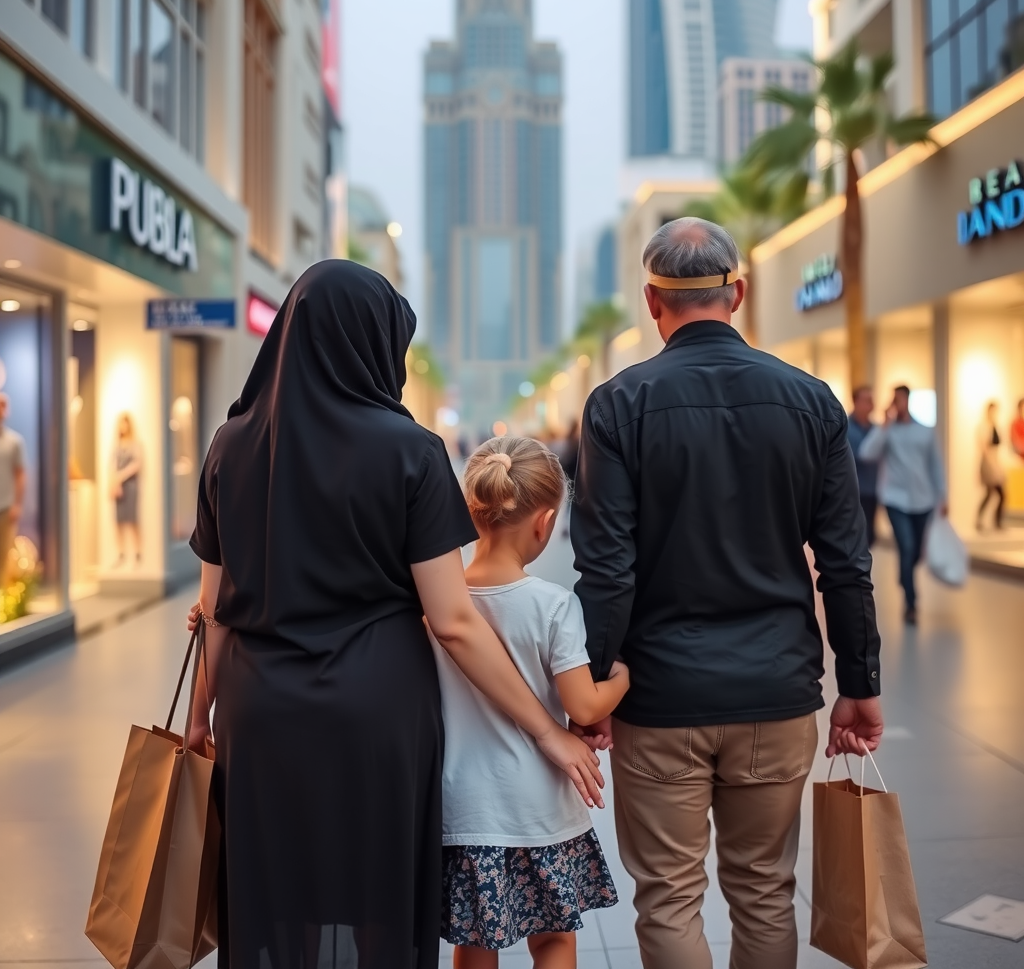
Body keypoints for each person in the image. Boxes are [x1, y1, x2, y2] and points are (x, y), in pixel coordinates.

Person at [184, 261, 604, 969]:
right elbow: (452, 619)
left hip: (260, 715)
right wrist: (546, 733)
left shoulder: (231, 445)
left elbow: (214, 611)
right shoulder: (409, 450)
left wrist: (200, 720)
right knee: (374, 889)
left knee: (273, 886)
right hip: (375, 717)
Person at [571, 217, 882, 969]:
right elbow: (844, 559)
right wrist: (860, 682)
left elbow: (607, 569)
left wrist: (593, 687)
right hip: (775, 694)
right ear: (737, 293)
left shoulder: (617, 406)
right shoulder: (811, 402)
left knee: (670, 896)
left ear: (653, 300)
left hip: (657, 698)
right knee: (765, 891)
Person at [435, 436, 625, 968]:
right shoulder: (553, 606)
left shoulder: (436, 608)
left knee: (475, 944)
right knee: (553, 939)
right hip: (538, 806)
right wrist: (624, 679)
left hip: (465, 807)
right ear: (544, 523)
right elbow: (584, 708)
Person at [860, 385, 947, 625]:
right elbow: (867, 453)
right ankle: (911, 603)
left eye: (900, 400)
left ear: (907, 401)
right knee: (906, 547)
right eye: (894, 400)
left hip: (923, 500)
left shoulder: (925, 432)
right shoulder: (886, 431)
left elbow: (935, 465)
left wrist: (943, 496)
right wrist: (885, 426)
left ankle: (904, 574)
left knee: (916, 551)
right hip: (894, 499)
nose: (896, 404)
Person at [846, 385, 879, 546]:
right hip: (853, 491)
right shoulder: (845, 427)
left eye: (872, 401)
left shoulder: (876, 429)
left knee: (870, 536)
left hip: (873, 490)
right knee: (858, 537)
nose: (870, 405)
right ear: (855, 402)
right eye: (866, 400)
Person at [0, 394, 25, 587]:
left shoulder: (14, 442)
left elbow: (20, 475)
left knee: (4, 553)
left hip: (6, 507)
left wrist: (17, 503)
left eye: (3, 406)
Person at [111, 412, 142, 566]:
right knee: (119, 520)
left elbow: (137, 464)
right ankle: (121, 553)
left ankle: (138, 552)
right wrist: (114, 482)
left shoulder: (134, 444)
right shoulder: (117, 445)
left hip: (130, 485)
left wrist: (122, 476)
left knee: (132, 518)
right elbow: (112, 465)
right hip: (119, 486)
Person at [976, 401, 1005, 531]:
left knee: (994, 494)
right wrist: (993, 466)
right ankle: (982, 520)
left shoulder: (996, 426)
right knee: (993, 493)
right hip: (989, 464)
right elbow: (984, 447)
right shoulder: (983, 426)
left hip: (995, 462)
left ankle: (995, 522)